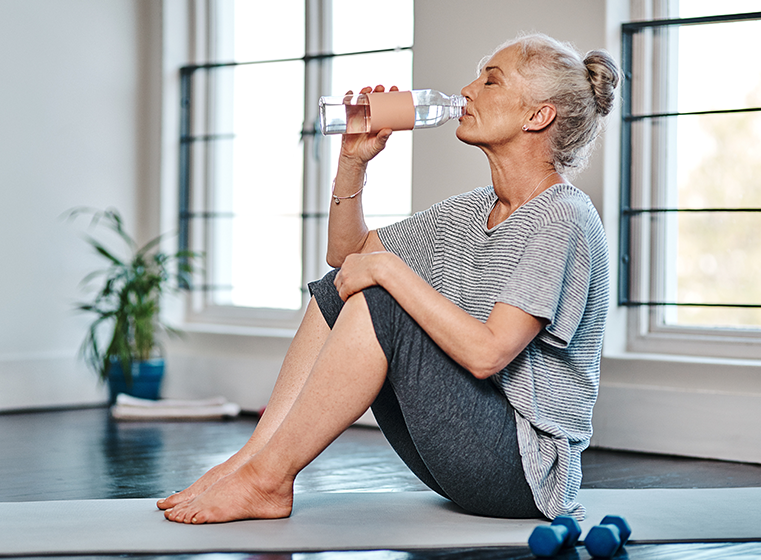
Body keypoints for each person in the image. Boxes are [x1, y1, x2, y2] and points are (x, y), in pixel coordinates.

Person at [157, 33, 620, 524]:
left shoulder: (563, 217)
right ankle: (251, 461)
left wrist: (387, 271)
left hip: (519, 474)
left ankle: (267, 482)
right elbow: (346, 258)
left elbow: (488, 354)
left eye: (490, 80)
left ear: (537, 116)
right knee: (343, 290)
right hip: (454, 456)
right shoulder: (470, 213)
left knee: (381, 296)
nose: (466, 90)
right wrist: (353, 163)